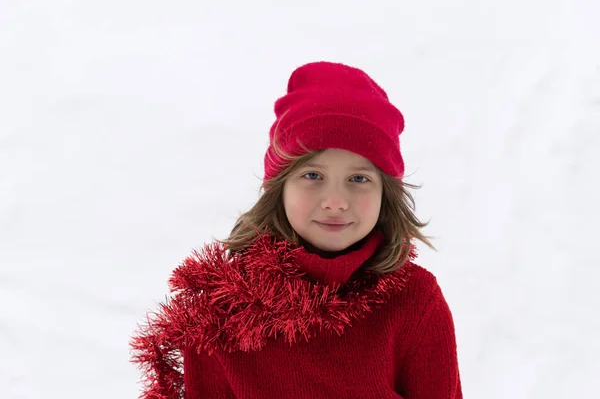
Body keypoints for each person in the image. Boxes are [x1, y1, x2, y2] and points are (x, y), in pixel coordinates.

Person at [130, 61, 462, 398]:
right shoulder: (222, 313)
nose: (335, 201)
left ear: (385, 194)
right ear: (280, 188)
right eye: (313, 176)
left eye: (359, 179)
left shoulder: (414, 301)